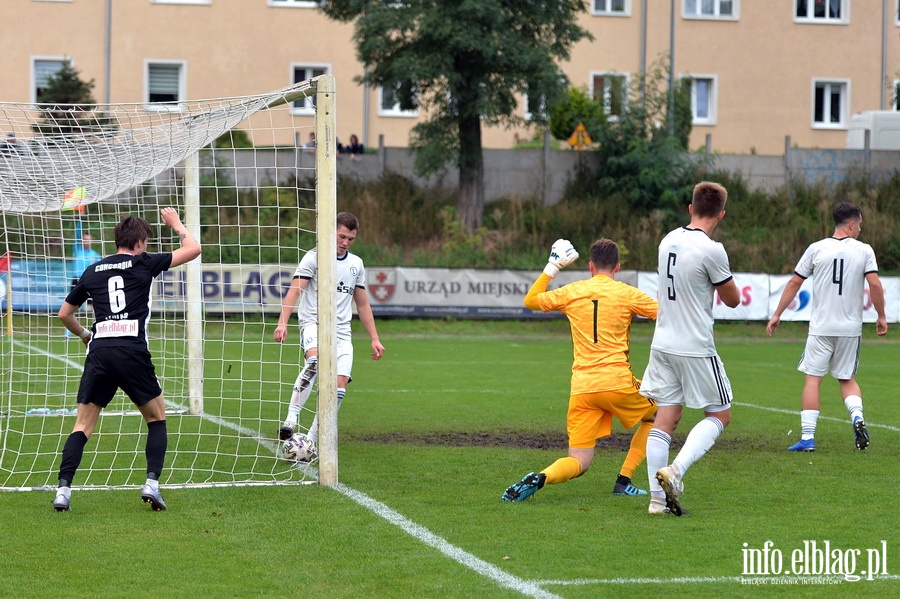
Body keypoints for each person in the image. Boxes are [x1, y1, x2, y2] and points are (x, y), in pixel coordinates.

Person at [52, 208, 202, 512]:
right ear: (140, 241)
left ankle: (63, 491)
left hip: (101, 351)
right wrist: (175, 223)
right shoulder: (143, 263)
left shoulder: (93, 270)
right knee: (156, 417)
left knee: (82, 425)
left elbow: (64, 314)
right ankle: (151, 484)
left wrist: (84, 335)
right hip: (132, 350)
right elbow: (193, 249)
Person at [502, 238, 659, 502]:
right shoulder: (627, 293)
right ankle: (624, 480)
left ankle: (542, 477)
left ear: (590, 266)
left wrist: (553, 266)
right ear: (617, 267)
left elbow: (530, 300)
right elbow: (664, 315)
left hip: (582, 388)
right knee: (660, 413)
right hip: (616, 381)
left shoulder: (573, 291)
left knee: (579, 461)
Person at [640, 181, 740, 516]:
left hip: (662, 343)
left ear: (690, 208)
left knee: (666, 418)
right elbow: (733, 299)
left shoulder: (668, 239)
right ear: (721, 214)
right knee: (720, 414)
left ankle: (656, 501)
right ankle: (676, 471)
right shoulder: (712, 249)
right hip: (694, 345)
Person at [766, 202, 887, 453]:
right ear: (852, 224)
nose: (860, 230)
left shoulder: (816, 248)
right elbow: (875, 285)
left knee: (813, 380)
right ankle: (857, 417)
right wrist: (881, 316)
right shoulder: (864, 251)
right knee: (847, 378)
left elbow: (794, 282)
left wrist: (777, 314)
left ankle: (808, 438)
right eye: (860, 225)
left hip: (821, 327)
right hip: (849, 328)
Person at [274, 212, 385, 451]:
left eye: (350, 239)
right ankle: (291, 419)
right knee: (315, 360)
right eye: (342, 236)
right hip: (314, 323)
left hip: (342, 332)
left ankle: (312, 439)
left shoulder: (356, 264)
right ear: (331, 232)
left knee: (340, 385)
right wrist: (283, 322)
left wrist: (374, 338)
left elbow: (363, 304)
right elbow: (294, 291)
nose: (345, 242)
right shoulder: (313, 258)